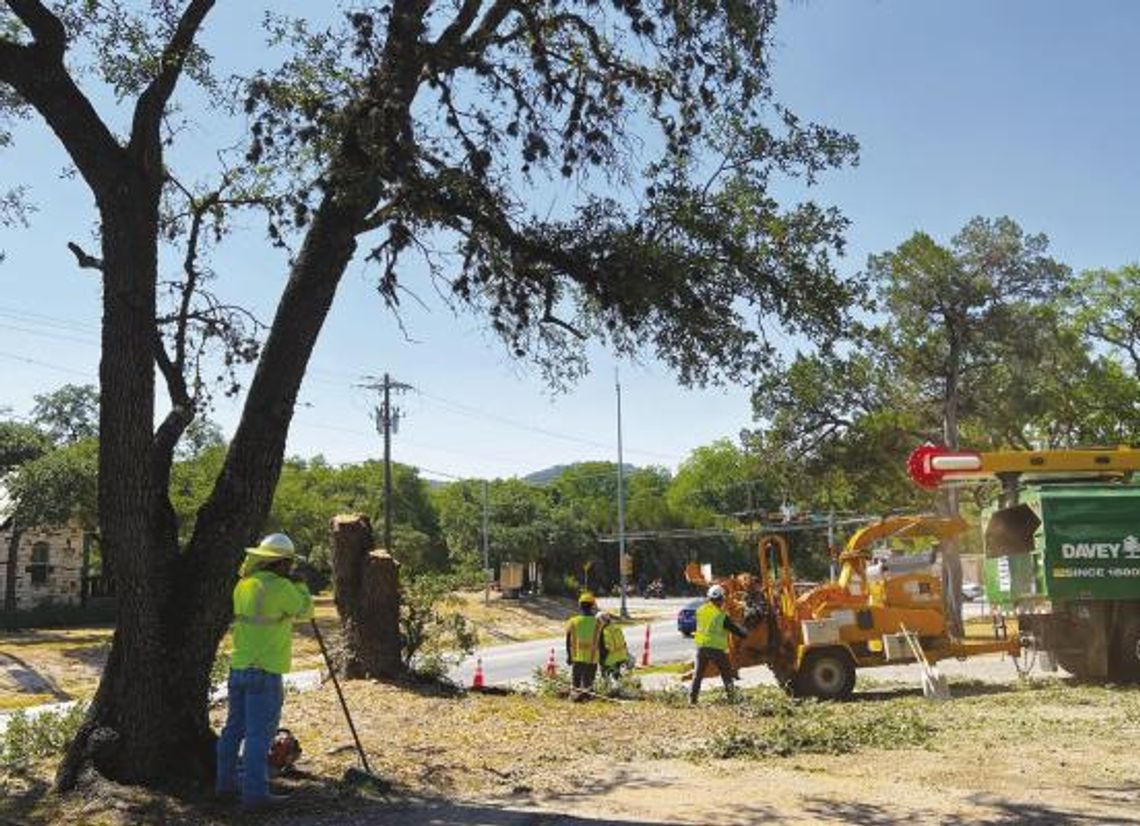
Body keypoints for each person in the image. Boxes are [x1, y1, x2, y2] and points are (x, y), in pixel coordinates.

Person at [216, 533, 314, 809]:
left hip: (239, 667)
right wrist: (302, 586)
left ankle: (225, 786)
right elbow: (306, 611)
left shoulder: (243, 585)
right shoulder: (282, 587)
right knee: (259, 736)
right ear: (282, 563)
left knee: (232, 730)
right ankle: (255, 795)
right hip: (266, 670)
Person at [689, 583, 748, 706]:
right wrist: (745, 632)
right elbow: (736, 630)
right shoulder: (721, 617)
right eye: (722, 599)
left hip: (700, 647)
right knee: (726, 673)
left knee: (698, 674)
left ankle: (692, 700)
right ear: (721, 599)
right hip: (715, 649)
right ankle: (732, 699)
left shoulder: (700, 611)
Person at [565, 591, 607, 700]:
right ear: (593, 606)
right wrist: (603, 658)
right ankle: (585, 699)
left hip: (577, 658)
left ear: (579, 605)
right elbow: (601, 642)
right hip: (592, 660)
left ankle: (575, 700)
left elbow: (568, 640)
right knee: (588, 685)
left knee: (575, 684)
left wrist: (569, 656)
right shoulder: (598, 623)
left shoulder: (573, 622)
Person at [598, 612, 632, 679]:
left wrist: (601, 659)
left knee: (605, 676)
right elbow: (623, 642)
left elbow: (605, 647)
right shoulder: (617, 628)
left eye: (598, 621)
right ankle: (623, 686)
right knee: (617, 675)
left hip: (610, 658)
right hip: (621, 656)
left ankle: (606, 687)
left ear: (602, 621)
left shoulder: (604, 631)